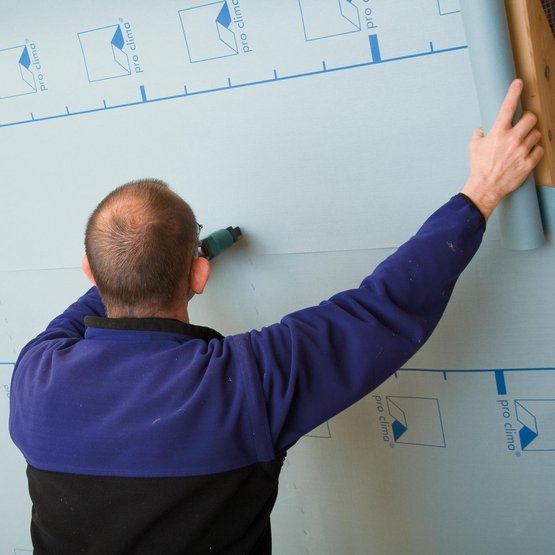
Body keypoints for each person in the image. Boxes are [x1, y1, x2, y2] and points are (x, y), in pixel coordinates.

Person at [9, 79, 543, 555]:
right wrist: (482, 191)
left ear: (88, 271)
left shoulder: (33, 378)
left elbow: (101, 295)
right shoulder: (239, 386)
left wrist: (175, 263)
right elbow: (381, 310)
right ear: (199, 277)